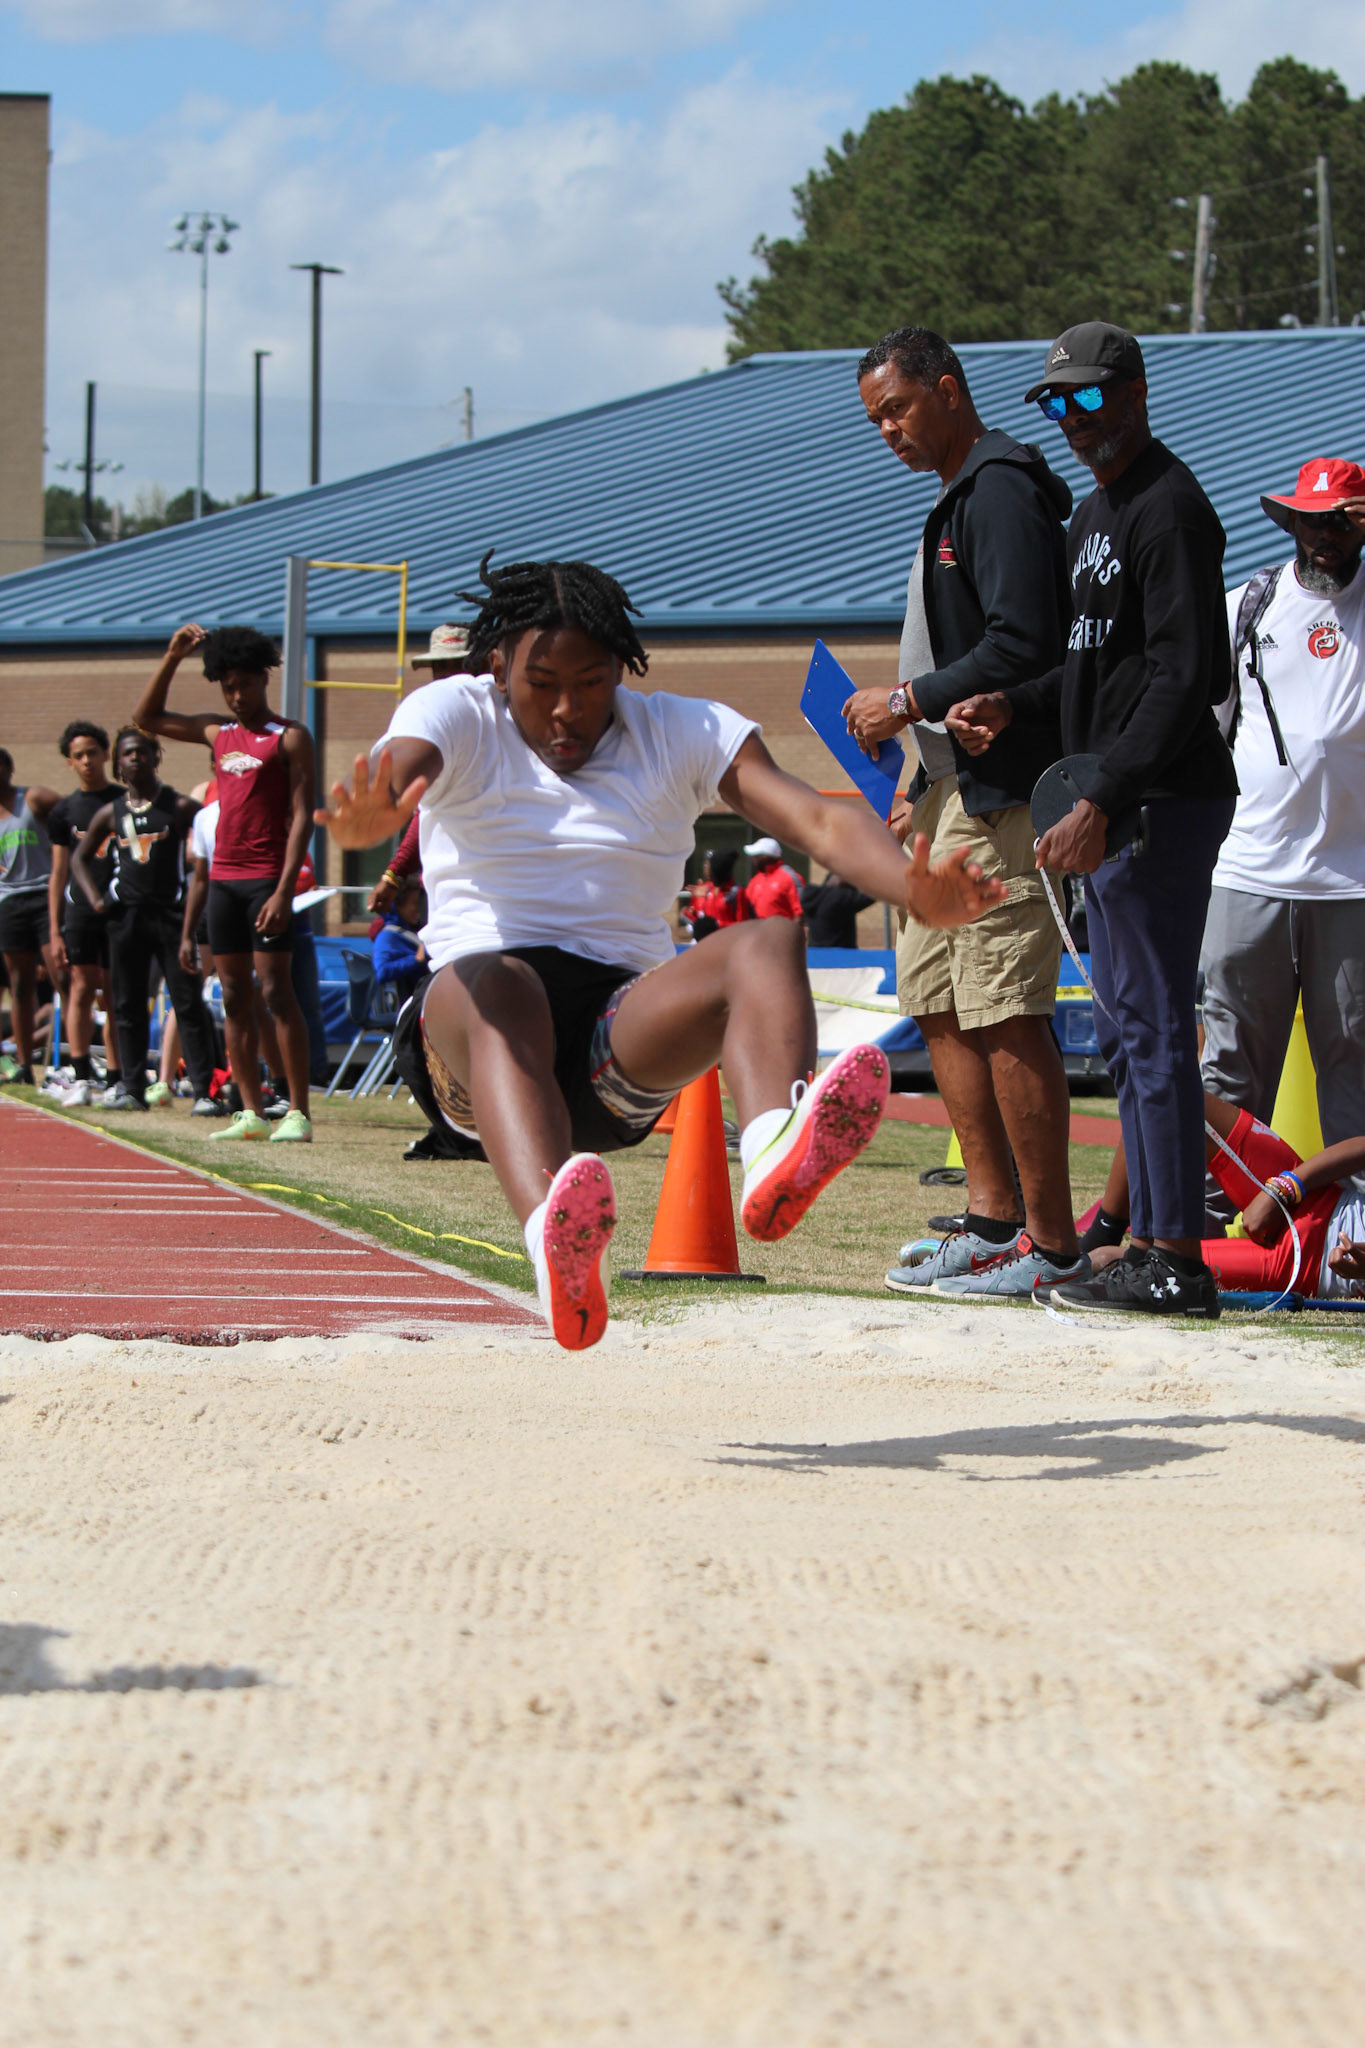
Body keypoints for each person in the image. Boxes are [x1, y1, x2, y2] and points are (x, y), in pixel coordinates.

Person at [315, 552, 1006, 1350]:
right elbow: (402, 768)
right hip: (475, 1040)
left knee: (766, 940)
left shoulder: (681, 730)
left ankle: (772, 1151)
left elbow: (816, 819)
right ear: (497, 668)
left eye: (592, 683)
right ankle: (553, 1245)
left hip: (616, 1045)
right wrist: (374, 813)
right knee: (505, 983)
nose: (568, 709)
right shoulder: (456, 711)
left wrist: (910, 889)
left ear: (623, 669)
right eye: (542, 685)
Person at [949, 321, 1239, 1317]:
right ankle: (1144, 1241)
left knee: (1153, 1031)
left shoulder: (1170, 508)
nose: (1072, 419)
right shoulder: (1093, 517)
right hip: (1109, 802)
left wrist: (1103, 799)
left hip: (1159, 801)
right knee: (1122, 1038)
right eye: (1055, 403)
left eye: (1087, 397)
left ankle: (1176, 1257)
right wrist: (1011, 703)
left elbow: (1185, 677)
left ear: (1135, 391)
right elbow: (1087, 669)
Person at [842, 326, 1081, 1300]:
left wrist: (905, 701)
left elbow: (1027, 641)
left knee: (1004, 1005)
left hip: (1008, 793)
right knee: (937, 995)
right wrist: (922, 768)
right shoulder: (955, 496)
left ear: (947, 390)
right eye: (875, 420)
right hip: (952, 786)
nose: (888, 431)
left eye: (897, 408)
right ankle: (989, 1222)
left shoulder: (1000, 488)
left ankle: (1050, 1243)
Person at [1199, 458, 1365, 1215]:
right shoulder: (1246, 607)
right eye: (1311, 519)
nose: (1325, 535)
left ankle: (1349, 1236)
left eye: (1342, 521)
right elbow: (1203, 731)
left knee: (1354, 1067)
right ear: (1290, 521)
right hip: (1248, 872)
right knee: (1229, 1070)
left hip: (1352, 883)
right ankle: (1199, 1235)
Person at [134, 622, 316, 1142]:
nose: (237, 696)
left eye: (245, 685)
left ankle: (298, 1112)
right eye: (228, 687)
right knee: (233, 995)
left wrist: (284, 890)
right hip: (223, 882)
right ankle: (250, 1112)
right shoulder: (219, 734)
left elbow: (304, 816)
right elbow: (147, 719)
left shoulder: (289, 736)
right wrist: (173, 658)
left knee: (276, 992)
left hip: (266, 880)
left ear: (264, 679)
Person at [1080, 1092, 1365, 1308]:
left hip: (1309, 1266)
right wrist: (1283, 1189)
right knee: (1165, 1094)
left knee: (1108, 1261)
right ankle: (1102, 1229)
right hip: (1320, 1200)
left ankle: (1080, 1261)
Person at [70, 727, 217, 1113]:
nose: (135, 758)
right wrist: (96, 900)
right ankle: (133, 1088)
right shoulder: (112, 812)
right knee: (128, 1005)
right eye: (127, 753)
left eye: (142, 751)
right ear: (118, 763)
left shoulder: (178, 806)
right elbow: (79, 858)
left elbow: (209, 837)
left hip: (172, 918)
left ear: (155, 757)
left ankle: (204, 1091)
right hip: (126, 919)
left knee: (187, 1003)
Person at [367, 626, 474, 919]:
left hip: (504, 890)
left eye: (459, 665)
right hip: (448, 891)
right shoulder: (433, 720)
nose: (448, 676)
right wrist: (393, 875)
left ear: (487, 665)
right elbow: (424, 813)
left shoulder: (511, 720)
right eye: (439, 667)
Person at [44, 721, 122, 1105]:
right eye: (79, 756)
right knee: (80, 987)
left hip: (118, 909)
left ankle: (117, 1076)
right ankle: (79, 1074)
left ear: (106, 754)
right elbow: (59, 872)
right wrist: (54, 930)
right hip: (79, 912)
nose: (87, 761)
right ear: (69, 762)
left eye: (93, 752)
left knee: (115, 992)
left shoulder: (124, 801)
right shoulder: (64, 811)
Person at [0, 744, 58, 1087]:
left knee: (61, 977)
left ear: (9, 769)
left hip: (44, 895)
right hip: (9, 902)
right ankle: (24, 1066)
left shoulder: (32, 799)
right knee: (19, 985)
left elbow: (75, 813)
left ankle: (70, 1066)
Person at [372, 877, 427, 1000]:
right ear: (398, 905)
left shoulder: (414, 930)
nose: (420, 908)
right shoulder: (388, 937)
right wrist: (416, 959)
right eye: (414, 903)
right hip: (414, 1003)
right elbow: (382, 971)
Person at [682, 848, 750, 941]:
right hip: (708, 942)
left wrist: (717, 925)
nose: (707, 870)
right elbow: (706, 920)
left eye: (711, 868)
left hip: (728, 943)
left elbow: (743, 925)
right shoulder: (708, 889)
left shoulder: (736, 892)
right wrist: (692, 915)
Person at [800, 871, 873, 949]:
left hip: (815, 952)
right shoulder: (840, 898)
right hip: (841, 954)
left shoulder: (810, 895)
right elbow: (872, 895)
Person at [742, 838, 804, 921]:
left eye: (755, 856)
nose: (753, 859)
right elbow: (745, 906)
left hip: (782, 928)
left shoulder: (789, 877)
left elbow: (800, 913)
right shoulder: (756, 879)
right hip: (758, 928)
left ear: (765, 856)